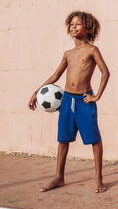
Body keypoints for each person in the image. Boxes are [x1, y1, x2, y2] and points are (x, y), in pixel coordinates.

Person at [28, 11, 110, 193]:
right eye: (71, 24)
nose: (73, 26)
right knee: (63, 139)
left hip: (84, 100)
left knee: (94, 140)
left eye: (78, 24)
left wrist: (97, 96)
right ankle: (59, 177)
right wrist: (36, 92)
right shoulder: (68, 53)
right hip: (67, 100)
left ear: (88, 29)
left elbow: (106, 72)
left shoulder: (92, 50)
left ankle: (98, 178)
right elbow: (56, 75)